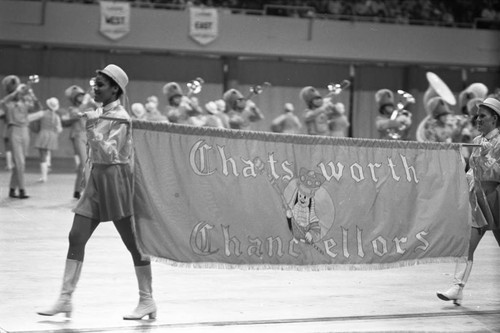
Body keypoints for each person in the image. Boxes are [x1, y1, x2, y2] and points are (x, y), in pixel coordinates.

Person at [37, 64, 157, 320]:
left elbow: (110, 154)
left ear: (115, 89)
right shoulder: (101, 113)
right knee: (76, 236)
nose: (95, 88)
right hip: (95, 183)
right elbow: (94, 158)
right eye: (95, 83)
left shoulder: (121, 117)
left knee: (134, 245)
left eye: (101, 85)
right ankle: (65, 298)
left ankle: (147, 300)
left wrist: (91, 128)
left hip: (115, 181)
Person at [437, 97, 500, 306]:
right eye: (477, 116)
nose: (478, 119)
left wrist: (486, 158)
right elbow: (473, 170)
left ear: (495, 119)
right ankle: (457, 287)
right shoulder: (478, 140)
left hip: (496, 199)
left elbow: (497, 172)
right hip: (478, 199)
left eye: (483, 116)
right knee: (466, 245)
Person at [0, 75, 42, 199]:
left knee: (20, 163)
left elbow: (37, 107)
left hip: (25, 131)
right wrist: (20, 90)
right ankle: (22, 190)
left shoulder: (24, 101)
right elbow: (7, 100)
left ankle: (12, 189)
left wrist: (31, 92)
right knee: (20, 163)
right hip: (13, 131)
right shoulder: (6, 101)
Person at [61, 85, 96, 199]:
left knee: (83, 165)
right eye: (79, 96)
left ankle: (77, 190)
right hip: (78, 136)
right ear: (74, 98)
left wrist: (92, 101)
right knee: (85, 163)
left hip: (89, 135)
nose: (81, 97)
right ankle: (88, 192)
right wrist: (85, 102)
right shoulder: (72, 109)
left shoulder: (88, 107)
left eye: (82, 95)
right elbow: (77, 114)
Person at [32, 97, 63, 182]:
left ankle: (44, 176)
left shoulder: (42, 113)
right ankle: (47, 168)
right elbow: (59, 129)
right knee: (46, 153)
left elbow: (32, 117)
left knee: (42, 156)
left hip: (43, 134)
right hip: (52, 135)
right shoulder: (56, 116)